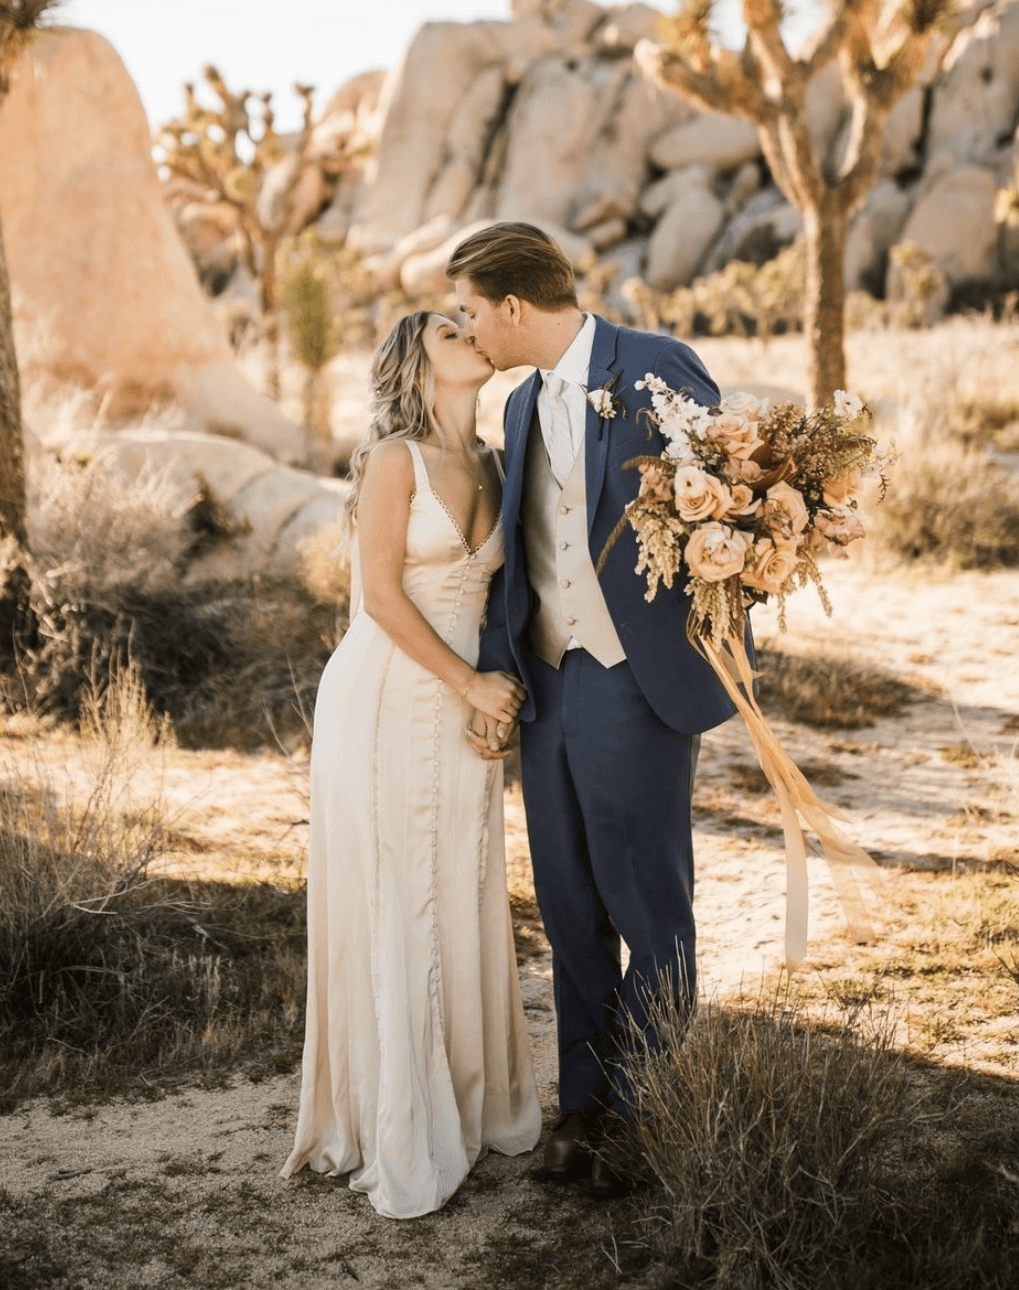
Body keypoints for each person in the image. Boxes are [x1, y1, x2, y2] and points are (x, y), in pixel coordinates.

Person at [446, 222, 746, 1195]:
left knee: (643, 896)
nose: (468, 331)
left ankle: (654, 1109)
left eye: (471, 312)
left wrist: (718, 648)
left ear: (513, 307)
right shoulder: (523, 407)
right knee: (569, 899)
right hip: (549, 683)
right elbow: (529, 559)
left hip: (633, 679)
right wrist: (501, 671)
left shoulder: (657, 368)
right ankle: (585, 1106)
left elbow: (729, 512)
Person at [281, 310, 542, 1220]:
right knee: (399, 891)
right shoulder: (394, 460)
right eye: (446, 328)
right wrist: (469, 683)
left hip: (466, 698)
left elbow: (505, 593)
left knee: (462, 884)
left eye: (472, 322)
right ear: (413, 361)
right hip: (389, 692)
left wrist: (494, 696)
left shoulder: (500, 461)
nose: (469, 331)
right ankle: (398, 1121)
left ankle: (469, 1105)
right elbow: (382, 598)